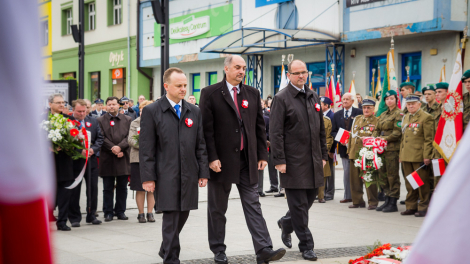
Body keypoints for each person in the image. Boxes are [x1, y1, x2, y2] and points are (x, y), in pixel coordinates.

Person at [200, 55, 286, 264]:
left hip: (247, 162)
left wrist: (262, 155)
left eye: (244, 68)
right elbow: (206, 131)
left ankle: (264, 249)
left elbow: (259, 127)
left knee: (253, 204)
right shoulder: (210, 93)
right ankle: (218, 250)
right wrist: (211, 158)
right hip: (220, 163)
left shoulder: (252, 93)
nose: (241, 71)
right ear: (226, 69)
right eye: (237, 67)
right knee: (217, 209)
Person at [140, 67, 209, 264]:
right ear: (166, 86)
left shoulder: (194, 111)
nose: (183, 89)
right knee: (170, 216)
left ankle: (165, 248)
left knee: (183, 214)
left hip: (188, 173)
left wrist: (203, 172)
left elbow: (200, 144)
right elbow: (146, 147)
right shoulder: (153, 111)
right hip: (165, 174)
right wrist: (148, 177)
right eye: (179, 85)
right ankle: (171, 258)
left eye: (185, 85)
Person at [270, 59, 327, 261]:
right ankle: (307, 246)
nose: (301, 76)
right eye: (297, 73)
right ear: (289, 76)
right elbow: (275, 132)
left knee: (308, 200)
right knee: (299, 206)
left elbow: (320, 129)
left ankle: (286, 223)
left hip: (313, 160)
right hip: (292, 161)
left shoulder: (313, 96)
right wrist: (279, 160)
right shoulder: (281, 98)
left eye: (304, 72)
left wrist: (323, 155)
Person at [97, 97, 132, 222]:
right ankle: (108, 212)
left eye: (114, 104)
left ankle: (120, 211)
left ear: (119, 105)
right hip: (107, 157)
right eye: (109, 104)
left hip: (123, 157)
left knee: (122, 187)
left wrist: (120, 148)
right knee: (107, 187)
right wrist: (113, 148)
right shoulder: (100, 120)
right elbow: (101, 136)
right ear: (106, 106)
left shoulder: (127, 120)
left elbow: (129, 136)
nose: (111, 106)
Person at [68, 99, 103, 226]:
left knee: (93, 189)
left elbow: (100, 138)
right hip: (75, 162)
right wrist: (79, 150)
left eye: (84, 111)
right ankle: (74, 217)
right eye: (79, 111)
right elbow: (67, 141)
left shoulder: (93, 121)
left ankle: (91, 214)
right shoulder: (68, 122)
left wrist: (93, 150)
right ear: (73, 110)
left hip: (91, 161)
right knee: (74, 190)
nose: (82, 114)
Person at [400, 95, 434, 217]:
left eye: (413, 103)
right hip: (406, 155)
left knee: (421, 183)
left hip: (419, 156)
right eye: (408, 104)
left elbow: (428, 139)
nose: (411, 106)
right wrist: (401, 154)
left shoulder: (426, 117)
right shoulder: (406, 117)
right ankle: (411, 206)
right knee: (410, 183)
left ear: (419, 104)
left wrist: (427, 156)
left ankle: (423, 207)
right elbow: (403, 138)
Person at [48, 94, 75, 231]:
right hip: (48, 163)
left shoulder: (70, 120)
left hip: (65, 161)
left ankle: (62, 221)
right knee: (49, 193)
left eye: (63, 102)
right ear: (50, 104)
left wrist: (70, 144)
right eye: (58, 102)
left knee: (65, 193)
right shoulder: (43, 120)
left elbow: (77, 138)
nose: (61, 105)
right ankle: (46, 217)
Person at [373, 90, 402, 213]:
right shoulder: (384, 114)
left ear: (396, 100)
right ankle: (387, 199)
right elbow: (377, 129)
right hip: (381, 148)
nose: (389, 101)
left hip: (392, 148)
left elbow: (397, 132)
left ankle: (393, 201)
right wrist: (374, 138)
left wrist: (383, 139)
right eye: (387, 99)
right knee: (383, 175)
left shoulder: (399, 114)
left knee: (392, 175)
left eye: (392, 98)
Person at [331, 93, 363, 203]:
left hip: (357, 148)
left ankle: (358, 196)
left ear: (352, 101)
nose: (344, 101)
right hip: (344, 149)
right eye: (343, 99)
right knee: (347, 173)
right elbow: (333, 131)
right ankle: (348, 196)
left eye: (347, 99)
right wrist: (341, 139)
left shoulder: (359, 112)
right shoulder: (337, 114)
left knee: (358, 173)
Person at [347, 99, 379, 210]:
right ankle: (357, 201)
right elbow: (352, 136)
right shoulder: (357, 119)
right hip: (354, 153)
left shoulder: (376, 121)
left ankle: (373, 201)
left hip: (367, 154)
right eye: (364, 107)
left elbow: (377, 136)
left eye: (369, 107)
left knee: (369, 178)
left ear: (373, 109)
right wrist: (349, 151)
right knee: (354, 180)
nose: (366, 109)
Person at [128, 100, 155, 223]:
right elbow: (131, 140)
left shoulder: (156, 122)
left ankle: (150, 212)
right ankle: (141, 213)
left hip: (153, 159)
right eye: (143, 109)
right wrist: (146, 146)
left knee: (152, 188)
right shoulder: (135, 122)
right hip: (137, 159)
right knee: (140, 188)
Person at [421, 85, 442, 187]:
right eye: (425, 94)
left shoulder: (440, 108)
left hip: (437, 145)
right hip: (425, 144)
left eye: (429, 94)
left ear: (435, 94)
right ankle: (424, 197)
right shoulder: (422, 109)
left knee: (437, 174)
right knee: (424, 174)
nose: (427, 96)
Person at [320, 96, 335, 200]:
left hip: (329, 149)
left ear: (326, 105)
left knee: (330, 172)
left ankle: (330, 192)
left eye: (321, 104)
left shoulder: (332, 116)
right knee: (323, 171)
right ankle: (322, 192)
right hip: (322, 149)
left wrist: (331, 150)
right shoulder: (319, 115)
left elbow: (332, 135)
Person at [317, 115, 333, 203]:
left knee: (322, 174)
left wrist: (325, 149)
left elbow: (329, 137)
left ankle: (321, 196)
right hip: (307, 151)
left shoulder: (326, 120)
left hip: (321, 150)